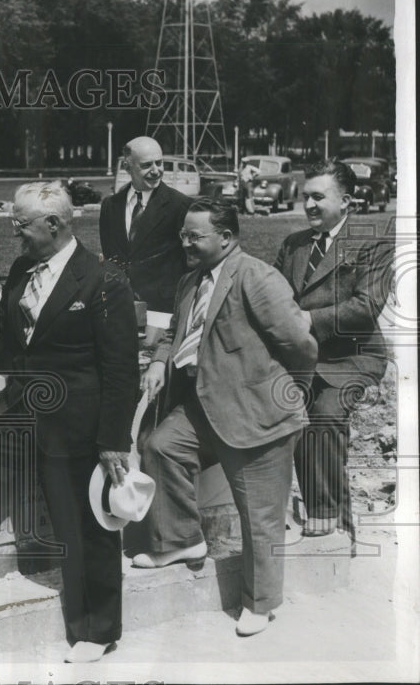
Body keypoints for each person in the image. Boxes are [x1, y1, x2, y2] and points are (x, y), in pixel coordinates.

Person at [0, 181, 139, 663]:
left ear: (55, 225)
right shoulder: (24, 268)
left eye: (21, 225)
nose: (15, 234)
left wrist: (111, 441)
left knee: (84, 526)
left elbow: (122, 369)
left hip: (76, 426)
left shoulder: (105, 281)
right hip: (21, 409)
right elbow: (1, 328)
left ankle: (97, 628)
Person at [134, 198, 318, 637]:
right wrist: (160, 360)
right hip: (205, 407)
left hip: (259, 416)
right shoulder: (189, 281)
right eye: (183, 234)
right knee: (160, 446)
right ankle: (181, 541)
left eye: (194, 236)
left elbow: (301, 344)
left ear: (227, 238)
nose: (185, 243)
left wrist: (286, 393)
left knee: (259, 515)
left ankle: (260, 602)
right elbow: (178, 330)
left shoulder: (254, 276)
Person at [274, 160, 394, 538]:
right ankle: (291, 512)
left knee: (324, 413)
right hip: (305, 357)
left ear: (345, 201)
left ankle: (330, 517)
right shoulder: (293, 245)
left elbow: (364, 309)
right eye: (305, 196)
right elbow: (273, 299)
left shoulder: (372, 240)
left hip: (353, 358)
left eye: (317, 197)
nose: (308, 204)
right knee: (280, 413)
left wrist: (307, 320)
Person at [99, 136, 191, 341]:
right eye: (147, 165)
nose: (156, 170)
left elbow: (192, 264)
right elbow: (111, 257)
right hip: (121, 308)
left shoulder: (181, 205)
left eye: (160, 163)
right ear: (127, 167)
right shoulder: (110, 206)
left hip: (164, 311)